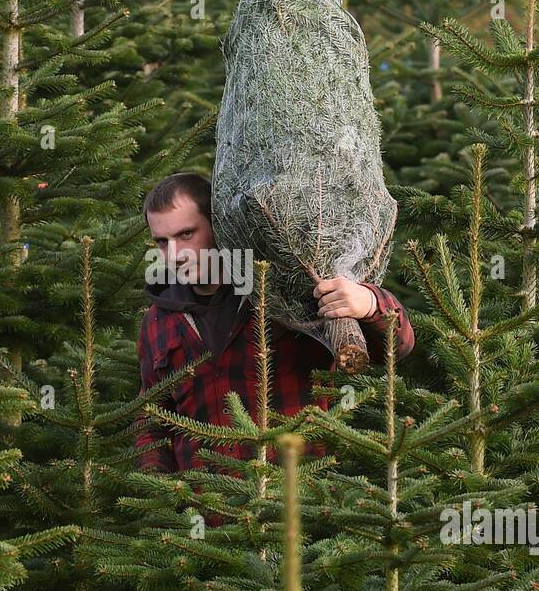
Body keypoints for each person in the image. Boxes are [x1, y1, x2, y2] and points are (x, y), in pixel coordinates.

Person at [134, 172, 415, 475]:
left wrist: (369, 303)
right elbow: (153, 419)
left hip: (300, 503)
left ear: (218, 225)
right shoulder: (158, 321)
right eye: (162, 242)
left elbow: (398, 347)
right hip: (207, 512)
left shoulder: (282, 292)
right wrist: (162, 491)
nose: (174, 255)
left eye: (186, 234)